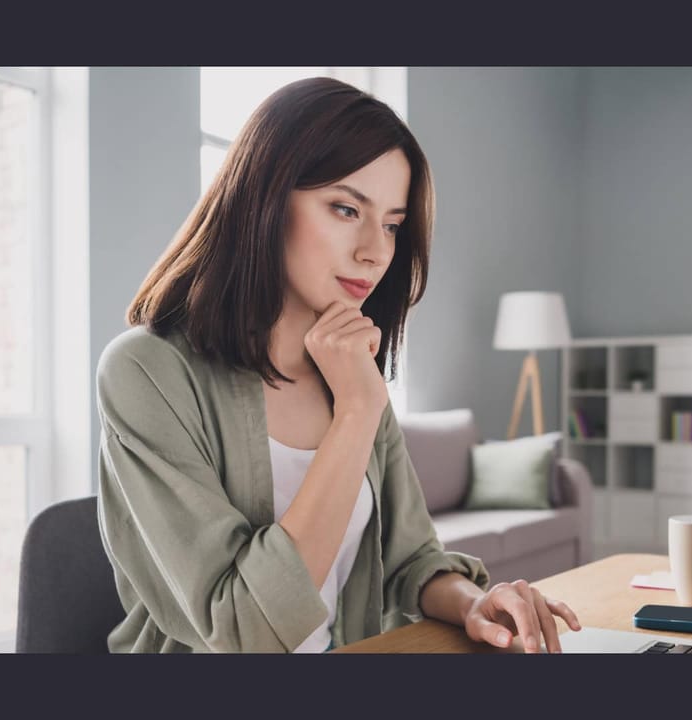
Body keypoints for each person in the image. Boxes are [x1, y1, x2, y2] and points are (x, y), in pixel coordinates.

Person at [95, 76, 582, 653]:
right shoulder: (147, 372)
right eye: (346, 208)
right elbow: (244, 630)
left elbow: (410, 559)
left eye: (392, 224)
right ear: (265, 199)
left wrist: (476, 603)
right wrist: (356, 411)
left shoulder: (351, 370)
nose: (375, 250)